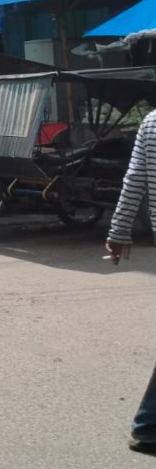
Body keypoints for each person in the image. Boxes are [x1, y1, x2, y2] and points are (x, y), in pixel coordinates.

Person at [105, 108, 156, 454]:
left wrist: (119, 229)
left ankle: (148, 423)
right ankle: (147, 423)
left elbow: (135, 177)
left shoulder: (152, 121)